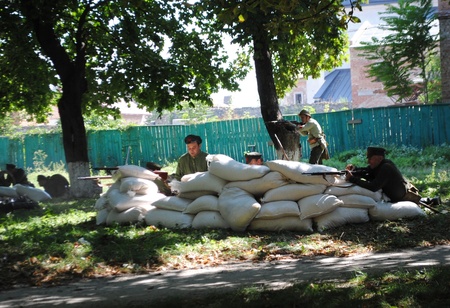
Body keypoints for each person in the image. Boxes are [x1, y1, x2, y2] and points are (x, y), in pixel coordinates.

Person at [345, 146, 440, 206]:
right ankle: (429, 200)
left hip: (400, 195)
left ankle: (431, 200)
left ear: (380, 158)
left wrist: (352, 179)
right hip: (396, 192)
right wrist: (354, 169)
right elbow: (366, 171)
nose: (368, 161)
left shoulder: (386, 167)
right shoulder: (379, 165)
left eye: (371, 159)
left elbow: (373, 187)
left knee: (419, 201)